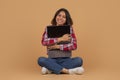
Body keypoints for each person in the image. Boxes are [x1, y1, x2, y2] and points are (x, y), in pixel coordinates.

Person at [38, 8, 84, 75]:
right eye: (59, 15)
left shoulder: (70, 29)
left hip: (66, 60)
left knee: (79, 61)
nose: (61, 18)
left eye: (64, 17)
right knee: (41, 60)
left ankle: (51, 69)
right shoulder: (48, 29)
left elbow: (74, 45)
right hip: (52, 59)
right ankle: (68, 71)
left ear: (66, 20)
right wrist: (60, 39)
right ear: (56, 16)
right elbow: (44, 42)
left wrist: (57, 46)